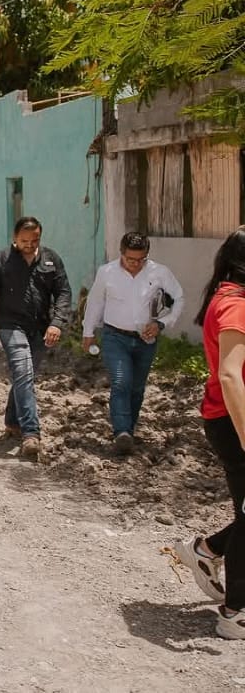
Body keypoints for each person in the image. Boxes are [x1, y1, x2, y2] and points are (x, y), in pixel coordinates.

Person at [172, 227, 245, 639]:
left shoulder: (229, 298)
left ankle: (207, 550)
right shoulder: (235, 305)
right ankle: (234, 613)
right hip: (234, 422)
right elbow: (231, 376)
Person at [81, 231, 185, 455]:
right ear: (121, 253)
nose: (135, 264)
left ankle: (129, 429)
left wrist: (162, 323)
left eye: (141, 259)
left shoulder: (159, 272)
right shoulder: (106, 272)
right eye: (130, 259)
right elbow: (95, 302)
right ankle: (121, 431)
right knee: (121, 382)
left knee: (137, 387)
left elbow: (178, 298)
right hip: (114, 336)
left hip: (146, 339)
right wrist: (88, 332)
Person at [0, 216, 71, 459]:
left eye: (34, 240)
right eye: (24, 241)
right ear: (14, 238)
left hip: (40, 328)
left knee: (25, 376)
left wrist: (57, 323)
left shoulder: (51, 259)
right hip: (10, 325)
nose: (29, 245)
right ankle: (31, 433)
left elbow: (63, 292)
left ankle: (12, 422)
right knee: (23, 372)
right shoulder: (0, 260)